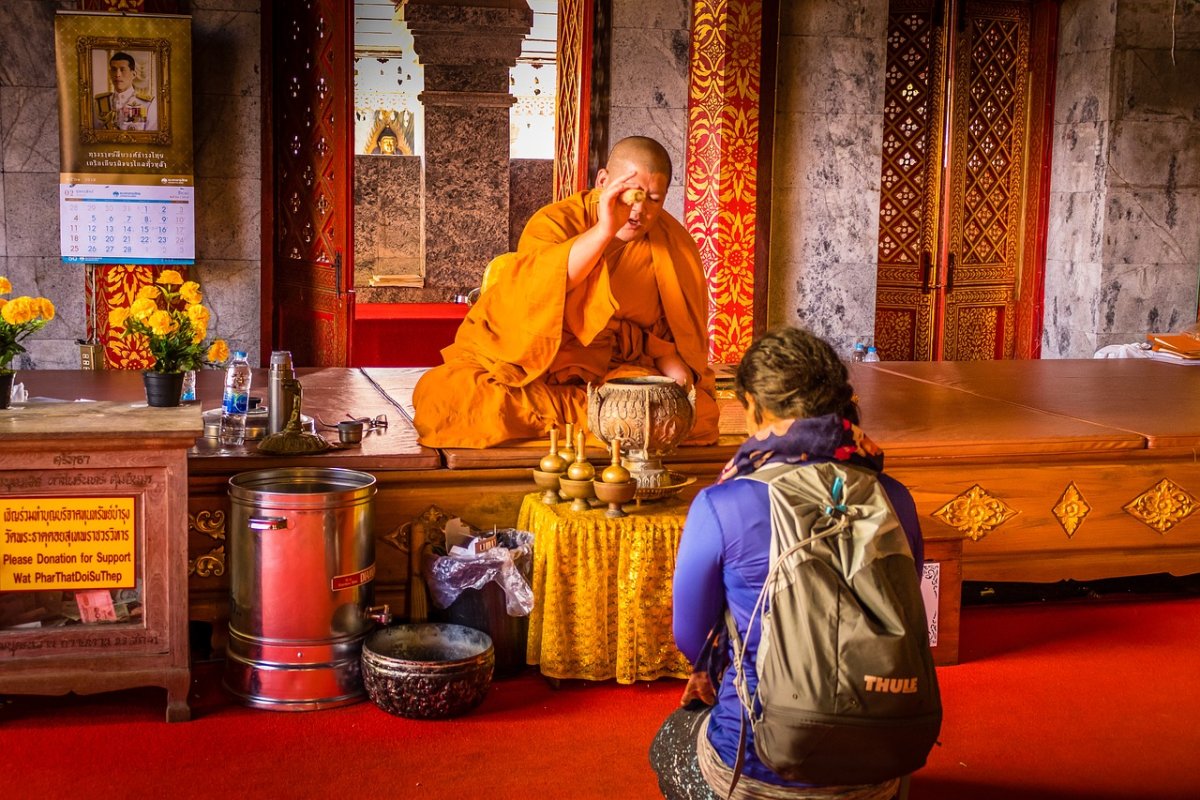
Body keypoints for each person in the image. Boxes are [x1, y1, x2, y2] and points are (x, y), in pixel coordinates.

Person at [650, 327, 925, 800]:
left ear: (754, 407)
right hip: (879, 763)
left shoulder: (721, 503)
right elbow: (904, 595)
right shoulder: (893, 497)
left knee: (673, 736)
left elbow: (690, 637)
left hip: (754, 765)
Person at [413, 135, 718, 448]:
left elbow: (664, 343)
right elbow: (537, 297)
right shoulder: (556, 222)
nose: (639, 210)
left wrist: (679, 388)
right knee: (446, 399)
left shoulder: (671, 245)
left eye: (653, 199)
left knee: (698, 413)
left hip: (610, 375)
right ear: (603, 181)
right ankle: (604, 424)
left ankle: (596, 421)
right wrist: (604, 231)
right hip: (532, 370)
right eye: (630, 194)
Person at [94, 51, 157, 131]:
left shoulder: (147, 103)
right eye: (114, 69)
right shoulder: (99, 102)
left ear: (133, 74)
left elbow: (152, 136)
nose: (117, 74)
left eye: (122, 69)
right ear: (110, 73)